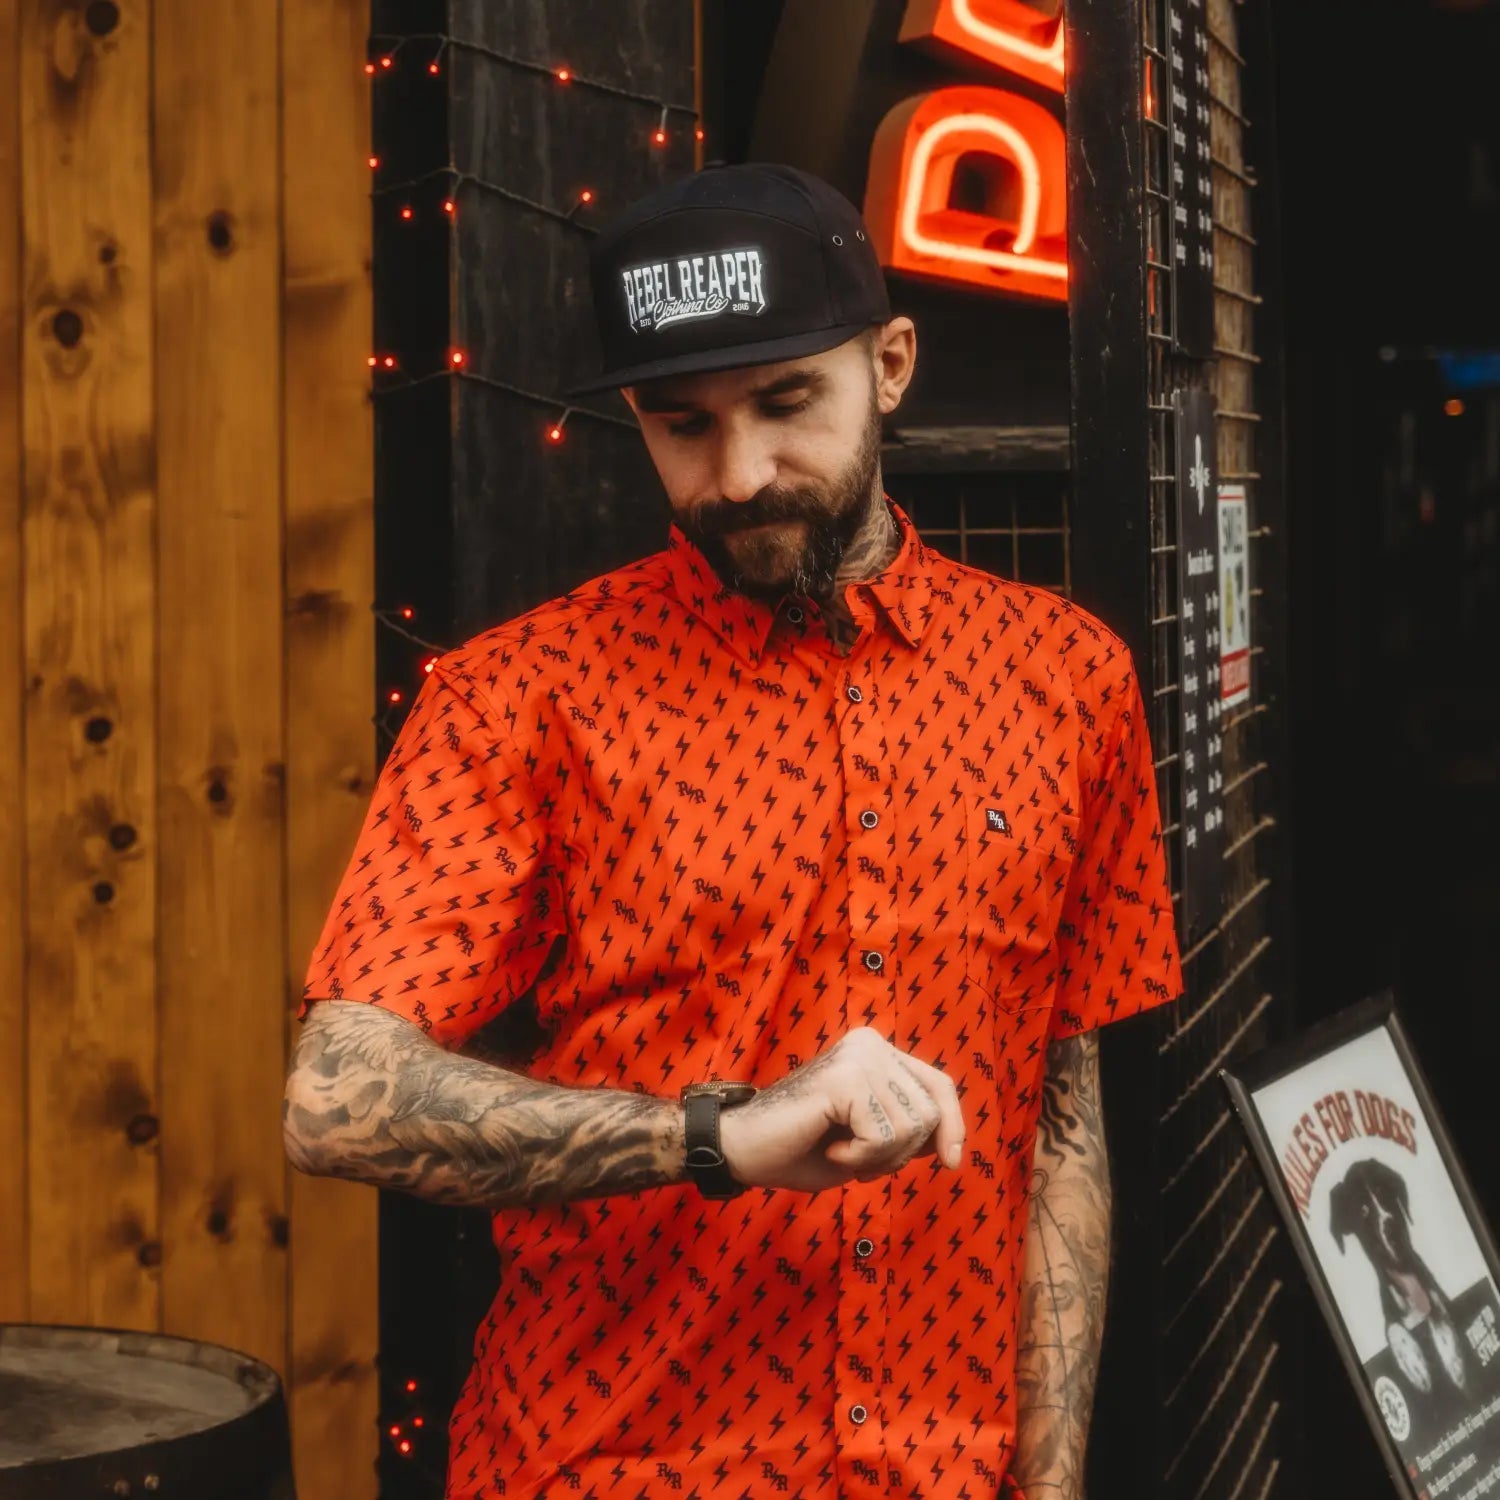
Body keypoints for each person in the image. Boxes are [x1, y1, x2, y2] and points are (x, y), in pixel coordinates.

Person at [283, 162, 1184, 1500]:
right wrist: (718, 1138)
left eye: (785, 402)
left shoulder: (1071, 681)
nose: (741, 473)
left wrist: (1047, 1487)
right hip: (605, 1471)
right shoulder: (521, 697)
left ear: (890, 364)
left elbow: (1062, 1127)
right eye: (680, 423)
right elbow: (332, 1099)